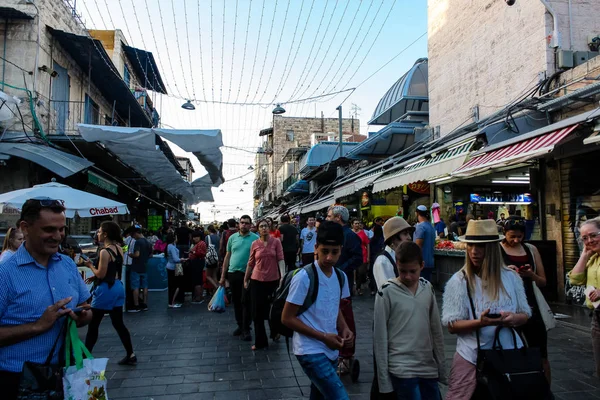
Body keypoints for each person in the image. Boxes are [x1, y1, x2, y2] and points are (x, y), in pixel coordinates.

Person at [0, 198, 92, 399]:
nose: (57, 236)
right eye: (49, 229)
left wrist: (83, 315)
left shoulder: (67, 264)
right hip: (17, 380)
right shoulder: (5, 273)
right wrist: (38, 326)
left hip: (65, 374)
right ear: (25, 228)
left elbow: (86, 306)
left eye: (61, 229)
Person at [441, 220, 531, 399]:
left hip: (509, 356)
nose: (474, 251)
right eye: (471, 245)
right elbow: (451, 325)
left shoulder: (511, 278)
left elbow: (525, 314)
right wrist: (480, 323)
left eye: (480, 246)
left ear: (492, 248)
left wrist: (514, 318)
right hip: (472, 358)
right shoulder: (459, 281)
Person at [282, 221, 353, 400]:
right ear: (315, 248)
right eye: (324, 251)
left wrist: (344, 327)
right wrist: (323, 337)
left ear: (341, 250)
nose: (329, 257)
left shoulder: (340, 276)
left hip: (330, 349)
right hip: (309, 350)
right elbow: (287, 318)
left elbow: (333, 305)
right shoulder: (304, 277)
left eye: (334, 252)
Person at [374, 241, 446, 399]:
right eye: (402, 271)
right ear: (397, 266)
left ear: (422, 265)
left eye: (413, 271)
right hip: (401, 368)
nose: (407, 276)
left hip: (427, 367)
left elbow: (436, 330)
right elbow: (380, 338)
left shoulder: (427, 288)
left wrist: (442, 367)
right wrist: (384, 382)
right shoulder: (386, 292)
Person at [500, 216, 551, 383]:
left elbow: (543, 281)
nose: (516, 240)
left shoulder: (531, 249)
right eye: (511, 236)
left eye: (519, 236)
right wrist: (506, 271)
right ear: (504, 233)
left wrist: (531, 275)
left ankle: (544, 390)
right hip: (507, 305)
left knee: (541, 353)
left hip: (531, 305)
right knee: (511, 352)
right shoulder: (496, 249)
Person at [84, 221, 136, 365]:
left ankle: (84, 357)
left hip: (106, 289)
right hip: (118, 286)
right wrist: (96, 275)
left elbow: (101, 274)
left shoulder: (104, 251)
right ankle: (130, 353)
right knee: (118, 323)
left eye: (100, 231)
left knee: (94, 324)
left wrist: (90, 266)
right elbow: (111, 269)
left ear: (106, 234)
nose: (98, 234)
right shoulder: (119, 248)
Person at [244, 219, 285, 350]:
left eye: (266, 226)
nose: (263, 228)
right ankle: (260, 341)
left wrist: (283, 277)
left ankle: (275, 332)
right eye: (261, 226)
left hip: (273, 280)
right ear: (258, 229)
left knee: (274, 309)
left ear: (269, 227)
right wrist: (246, 278)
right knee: (257, 312)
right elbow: (250, 263)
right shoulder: (254, 244)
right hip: (257, 280)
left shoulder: (276, 242)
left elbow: (280, 259)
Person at [568, 217, 600, 378]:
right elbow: (575, 279)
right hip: (597, 316)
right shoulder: (593, 258)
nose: (590, 241)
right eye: (585, 238)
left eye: (593, 235)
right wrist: (584, 255)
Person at [219, 215, 259, 341]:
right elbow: (227, 256)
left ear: (250, 224)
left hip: (248, 274)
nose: (244, 225)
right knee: (236, 301)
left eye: (247, 223)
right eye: (242, 223)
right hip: (233, 273)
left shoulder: (255, 239)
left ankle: (246, 328)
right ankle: (240, 325)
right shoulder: (232, 238)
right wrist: (223, 276)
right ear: (238, 224)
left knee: (246, 301)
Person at [327, 206, 363, 294]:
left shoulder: (350, 236)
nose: (327, 219)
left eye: (329, 216)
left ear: (338, 217)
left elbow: (357, 258)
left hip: (343, 280)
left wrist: (340, 270)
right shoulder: (333, 233)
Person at [373, 217, 415, 289]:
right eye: (405, 234)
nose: (409, 237)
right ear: (393, 238)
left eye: (409, 234)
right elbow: (388, 292)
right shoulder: (383, 261)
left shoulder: (404, 255)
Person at [129, 227, 152, 312]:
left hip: (136, 267)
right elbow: (151, 255)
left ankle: (136, 305)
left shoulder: (138, 242)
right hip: (145, 267)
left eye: (133, 235)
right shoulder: (148, 242)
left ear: (136, 233)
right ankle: (145, 304)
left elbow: (137, 254)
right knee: (145, 286)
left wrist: (131, 255)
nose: (133, 237)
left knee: (135, 287)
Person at [414, 205, 436, 282]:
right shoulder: (431, 226)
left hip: (422, 263)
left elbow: (418, 245)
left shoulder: (420, 227)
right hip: (430, 262)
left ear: (417, 213)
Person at [165, 234, 187, 308]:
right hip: (175, 267)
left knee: (173, 285)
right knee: (176, 285)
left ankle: (172, 301)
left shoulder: (169, 246)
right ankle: (172, 302)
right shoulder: (172, 247)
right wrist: (183, 259)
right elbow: (176, 259)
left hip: (172, 266)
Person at [352, 218, 370, 296]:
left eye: (358, 223)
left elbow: (367, 244)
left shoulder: (362, 233)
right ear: (352, 224)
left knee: (361, 272)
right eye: (355, 223)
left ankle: (358, 287)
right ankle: (353, 287)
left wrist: (368, 256)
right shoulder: (350, 233)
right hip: (352, 255)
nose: (357, 225)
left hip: (362, 255)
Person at [189, 231, 207, 304]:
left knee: (197, 280)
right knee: (198, 280)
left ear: (200, 237)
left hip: (197, 262)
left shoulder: (201, 243)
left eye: (196, 237)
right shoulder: (199, 243)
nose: (195, 238)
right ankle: (199, 297)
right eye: (194, 237)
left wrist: (192, 252)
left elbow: (201, 253)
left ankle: (198, 298)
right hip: (197, 262)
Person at [368, 223, 385, 295]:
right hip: (380, 258)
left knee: (372, 274)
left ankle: (373, 289)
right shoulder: (383, 240)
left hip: (373, 258)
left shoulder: (372, 240)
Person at [204, 224, 221, 289]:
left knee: (208, 275)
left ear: (209, 230)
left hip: (210, 257)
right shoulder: (218, 237)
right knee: (214, 275)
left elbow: (206, 247)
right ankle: (216, 292)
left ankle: (217, 287)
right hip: (216, 257)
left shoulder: (207, 237)